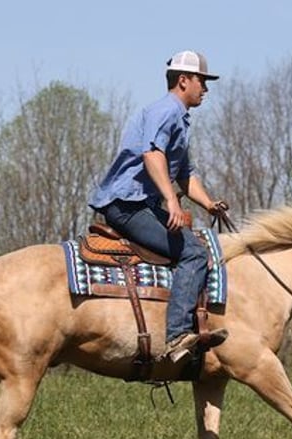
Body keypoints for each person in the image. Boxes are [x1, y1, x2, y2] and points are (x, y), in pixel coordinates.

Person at [88, 50, 229, 363]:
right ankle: (178, 335)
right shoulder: (166, 112)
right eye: (201, 81)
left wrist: (209, 203)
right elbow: (153, 156)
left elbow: (185, 175)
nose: (205, 89)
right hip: (128, 205)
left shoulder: (178, 117)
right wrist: (170, 201)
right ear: (183, 81)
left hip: (142, 204)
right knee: (194, 253)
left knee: (192, 244)